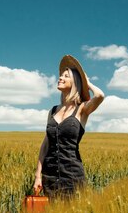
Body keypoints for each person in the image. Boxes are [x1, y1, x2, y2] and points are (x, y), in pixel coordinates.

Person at [33, 54, 105, 198]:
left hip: (72, 177)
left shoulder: (82, 109)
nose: (60, 78)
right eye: (61, 75)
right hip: (50, 177)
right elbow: (45, 145)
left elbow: (99, 96)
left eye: (66, 76)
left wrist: (86, 81)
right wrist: (38, 175)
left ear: (75, 83)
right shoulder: (52, 111)